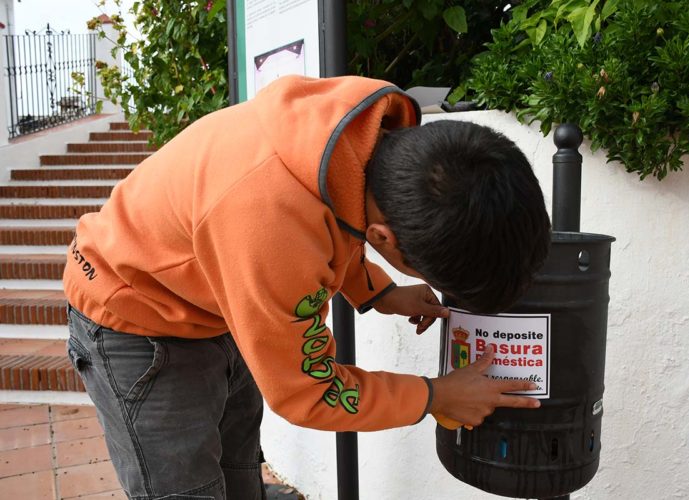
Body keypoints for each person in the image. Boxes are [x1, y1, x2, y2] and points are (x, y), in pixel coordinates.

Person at [64, 75, 551, 500]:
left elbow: (341, 218)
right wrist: (434, 396)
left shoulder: (364, 135)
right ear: (385, 239)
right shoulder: (267, 224)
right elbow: (308, 392)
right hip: (134, 315)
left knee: (237, 471)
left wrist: (379, 292)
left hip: (220, 298)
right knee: (186, 489)